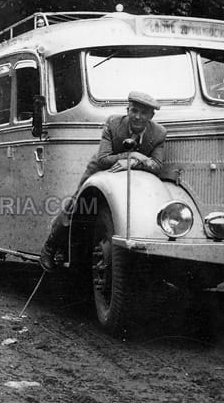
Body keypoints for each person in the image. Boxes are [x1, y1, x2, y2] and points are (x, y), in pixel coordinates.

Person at [40, 90, 167, 272]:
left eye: (143, 113)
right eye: (134, 111)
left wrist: (131, 163)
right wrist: (134, 154)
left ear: (151, 116)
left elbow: (157, 165)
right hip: (100, 170)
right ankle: (50, 246)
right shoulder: (113, 124)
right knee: (77, 205)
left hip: (129, 173)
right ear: (127, 109)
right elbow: (103, 159)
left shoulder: (159, 133)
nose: (137, 117)